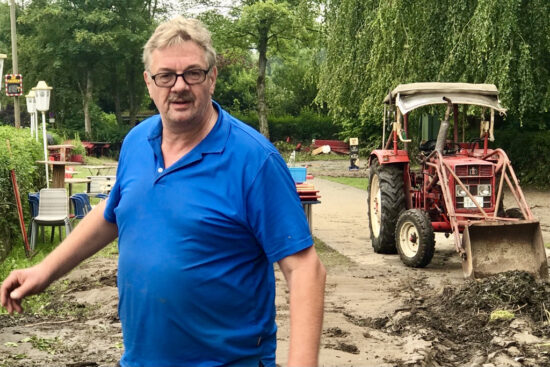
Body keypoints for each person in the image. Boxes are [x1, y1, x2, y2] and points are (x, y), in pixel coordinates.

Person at [1, 17, 326, 367]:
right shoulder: (137, 142)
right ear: (149, 82)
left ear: (212, 77)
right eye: (166, 76)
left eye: (193, 73)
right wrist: (44, 271)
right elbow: (114, 212)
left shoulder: (254, 160)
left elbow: (306, 270)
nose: (179, 86)